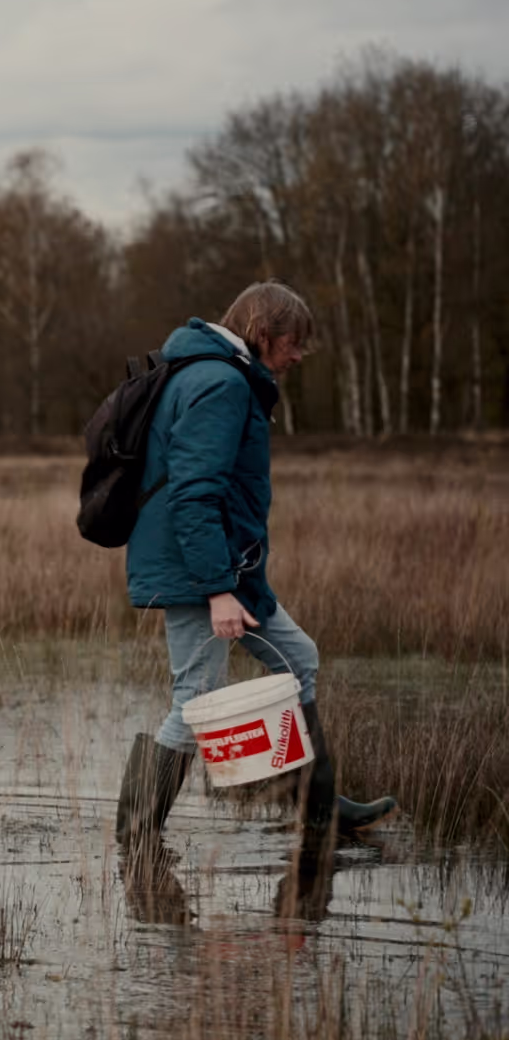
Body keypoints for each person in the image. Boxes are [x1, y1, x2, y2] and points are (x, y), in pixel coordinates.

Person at [113, 281, 397, 855]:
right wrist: (217, 589)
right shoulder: (218, 383)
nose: (298, 356)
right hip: (203, 571)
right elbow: (192, 496)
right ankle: (136, 834)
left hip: (226, 567)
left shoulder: (215, 373)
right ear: (264, 334)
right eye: (294, 344)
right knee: (197, 697)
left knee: (299, 659)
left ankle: (321, 812)